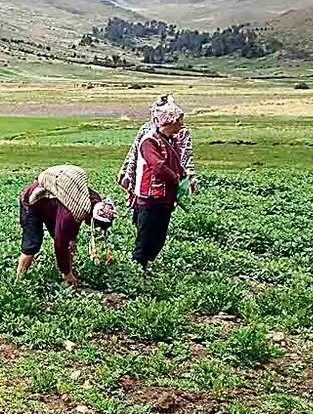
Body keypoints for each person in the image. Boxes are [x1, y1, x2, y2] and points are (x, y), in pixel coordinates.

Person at [16, 165, 116, 288]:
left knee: (70, 243)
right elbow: (60, 243)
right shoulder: (70, 215)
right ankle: (19, 281)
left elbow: (70, 236)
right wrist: (66, 272)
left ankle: (68, 272)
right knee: (32, 244)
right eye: (94, 224)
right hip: (32, 203)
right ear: (92, 217)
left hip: (53, 207)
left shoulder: (94, 201)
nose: (92, 226)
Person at [125, 98, 188, 274]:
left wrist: (183, 175)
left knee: (159, 235)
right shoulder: (149, 140)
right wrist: (176, 178)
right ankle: (138, 268)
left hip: (164, 198)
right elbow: (158, 166)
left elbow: (174, 163)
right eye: (179, 120)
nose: (182, 124)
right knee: (146, 236)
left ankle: (144, 266)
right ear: (170, 120)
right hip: (150, 197)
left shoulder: (170, 140)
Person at [118, 94, 197, 202]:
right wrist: (177, 178)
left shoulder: (180, 131)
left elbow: (185, 154)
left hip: (164, 190)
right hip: (150, 192)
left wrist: (184, 175)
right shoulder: (148, 134)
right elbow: (156, 165)